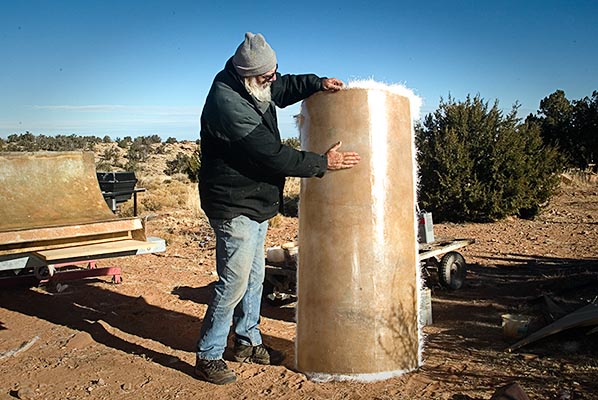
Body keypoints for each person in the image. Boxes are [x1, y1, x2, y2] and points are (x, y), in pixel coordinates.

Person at [195, 32, 361, 385]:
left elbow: (282, 87)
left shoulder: (255, 81)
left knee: (255, 278)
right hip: (233, 202)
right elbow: (271, 155)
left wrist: (317, 82)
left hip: (255, 200)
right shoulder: (228, 104)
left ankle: (247, 342)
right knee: (234, 282)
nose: (273, 80)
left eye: (273, 72)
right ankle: (208, 354)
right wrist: (322, 162)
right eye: (266, 77)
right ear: (247, 76)